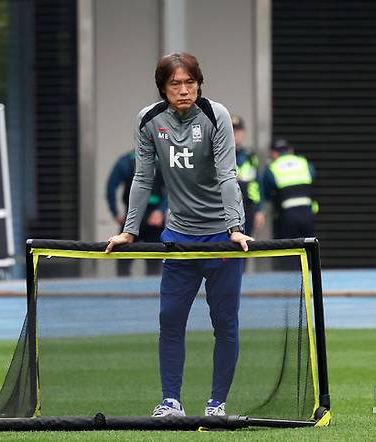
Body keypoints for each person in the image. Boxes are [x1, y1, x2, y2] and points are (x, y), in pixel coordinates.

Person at [105, 52, 253, 417]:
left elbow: (227, 175)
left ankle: (217, 404)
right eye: (175, 84)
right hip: (179, 237)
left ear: (199, 83)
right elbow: (142, 178)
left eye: (190, 82)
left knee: (225, 323)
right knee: (170, 319)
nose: (184, 90)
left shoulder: (216, 115)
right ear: (163, 89)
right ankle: (170, 401)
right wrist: (130, 231)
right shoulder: (149, 120)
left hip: (220, 237)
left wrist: (235, 227)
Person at [262, 138, 319, 270]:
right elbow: (313, 179)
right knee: (309, 249)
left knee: (288, 252)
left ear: (273, 153)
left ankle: (289, 285)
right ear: (290, 150)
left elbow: (266, 192)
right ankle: (310, 282)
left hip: (287, 216)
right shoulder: (304, 163)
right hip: (307, 214)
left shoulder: (272, 167)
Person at [106, 151, 166, 275]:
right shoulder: (164, 160)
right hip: (151, 215)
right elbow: (173, 188)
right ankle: (151, 292)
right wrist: (161, 210)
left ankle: (122, 290)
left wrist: (115, 213)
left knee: (123, 260)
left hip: (135, 215)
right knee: (153, 262)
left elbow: (111, 188)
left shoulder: (125, 161)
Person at [231, 115, 264, 236]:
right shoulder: (220, 153)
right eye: (232, 129)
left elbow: (257, 184)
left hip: (248, 207)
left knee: (246, 246)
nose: (235, 133)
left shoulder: (250, 156)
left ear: (243, 132)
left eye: (238, 130)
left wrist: (259, 210)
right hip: (229, 207)